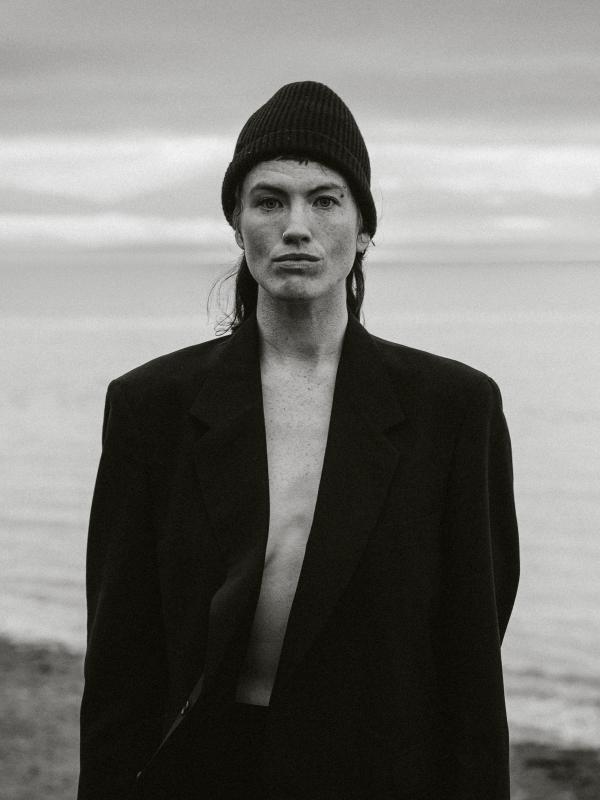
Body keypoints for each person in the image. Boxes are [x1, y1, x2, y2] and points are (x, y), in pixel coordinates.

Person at [78, 81, 519, 800]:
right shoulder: (150, 406)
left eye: (325, 199)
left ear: (364, 228)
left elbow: (472, 656)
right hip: (201, 770)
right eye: (269, 200)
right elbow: (122, 650)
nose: (296, 226)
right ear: (237, 223)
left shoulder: (455, 409)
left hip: (380, 771)